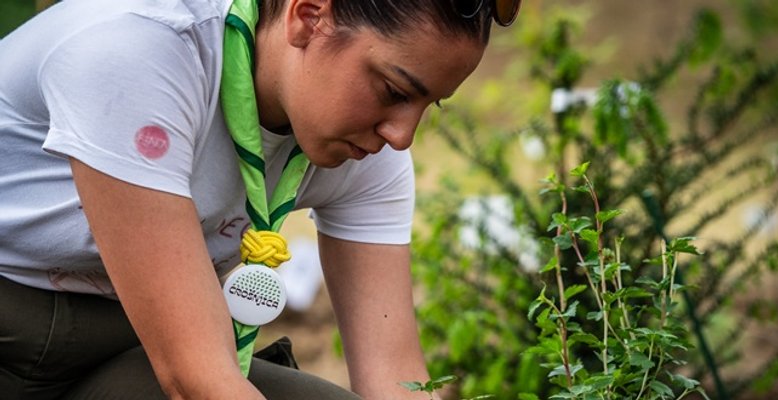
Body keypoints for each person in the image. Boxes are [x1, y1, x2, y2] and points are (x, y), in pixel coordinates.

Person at [0, 0, 519, 399]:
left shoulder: (370, 150)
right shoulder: (142, 49)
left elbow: (395, 380)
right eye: (393, 90)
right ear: (309, 16)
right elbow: (197, 379)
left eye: (430, 104)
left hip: (122, 350)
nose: (403, 135)